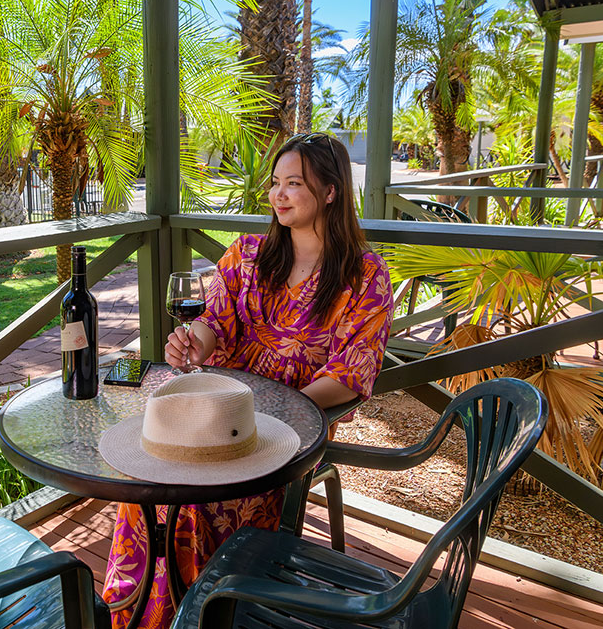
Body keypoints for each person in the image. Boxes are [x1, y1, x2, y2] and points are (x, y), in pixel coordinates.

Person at [101, 133, 395, 629]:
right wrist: (194, 345)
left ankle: (200, 614)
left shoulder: (364, 276)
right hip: (218, 412)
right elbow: (212, 321)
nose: (278, 194)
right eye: (276, 182)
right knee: (150, 481)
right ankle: (138, 613)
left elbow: (350, 374)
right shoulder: (248, 254)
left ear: (330, 191)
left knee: (197, 501)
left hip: (289, 432)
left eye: (294, 183)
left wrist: (277, 414)